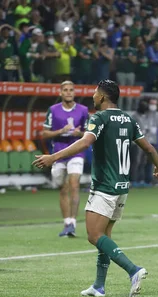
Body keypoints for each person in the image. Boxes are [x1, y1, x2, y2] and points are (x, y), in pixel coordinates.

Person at [33, 79, 158, 297]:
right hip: (122, 186)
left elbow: (85, 143)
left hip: (105, 186)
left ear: (102, 97)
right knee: (105, 236)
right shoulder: (128, 119)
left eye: (95, 93)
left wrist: (53, 157)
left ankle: (133, 270)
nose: (93, 96)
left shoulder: (99, 118)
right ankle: (99, 285)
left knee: (94, 235)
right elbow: (149, 148)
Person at [42, 81, 89, 237]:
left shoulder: (83, 111)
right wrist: (61, 131)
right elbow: (45, 133)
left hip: (76, 152)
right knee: (63, 188)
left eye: (71, 90)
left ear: (74, 93)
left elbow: (90, 134)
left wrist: (79, 134)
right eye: (65, 90)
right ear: (60, 93)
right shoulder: (53, 110)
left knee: (74, 184)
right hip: (59, 153)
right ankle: (66, 222)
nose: (68, 92)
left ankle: (73, 223)